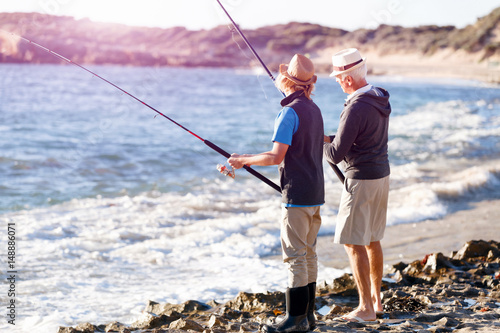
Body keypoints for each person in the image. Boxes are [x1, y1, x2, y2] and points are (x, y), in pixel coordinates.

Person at [228, 54, 324, 333]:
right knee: (308, 254)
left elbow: (275, 156)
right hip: (316, 192)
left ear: (285, 80)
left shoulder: (289, 112)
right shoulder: (314, 109)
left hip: (297, 195)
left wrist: (242, 159)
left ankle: (295, 320)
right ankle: (308, 316)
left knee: (295, 256)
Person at [323, 48, 391, 324]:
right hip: (381, 174)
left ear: (348, 79)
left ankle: (365, 309)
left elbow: (335, 154)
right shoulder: (379, 97)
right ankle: (376, 299)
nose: (338, 82)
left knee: (353, 242)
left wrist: (322, 142)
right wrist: (330, 137)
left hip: (361, 179)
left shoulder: (355, 106)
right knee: (372, 238)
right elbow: (356, 136)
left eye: (339, 78)